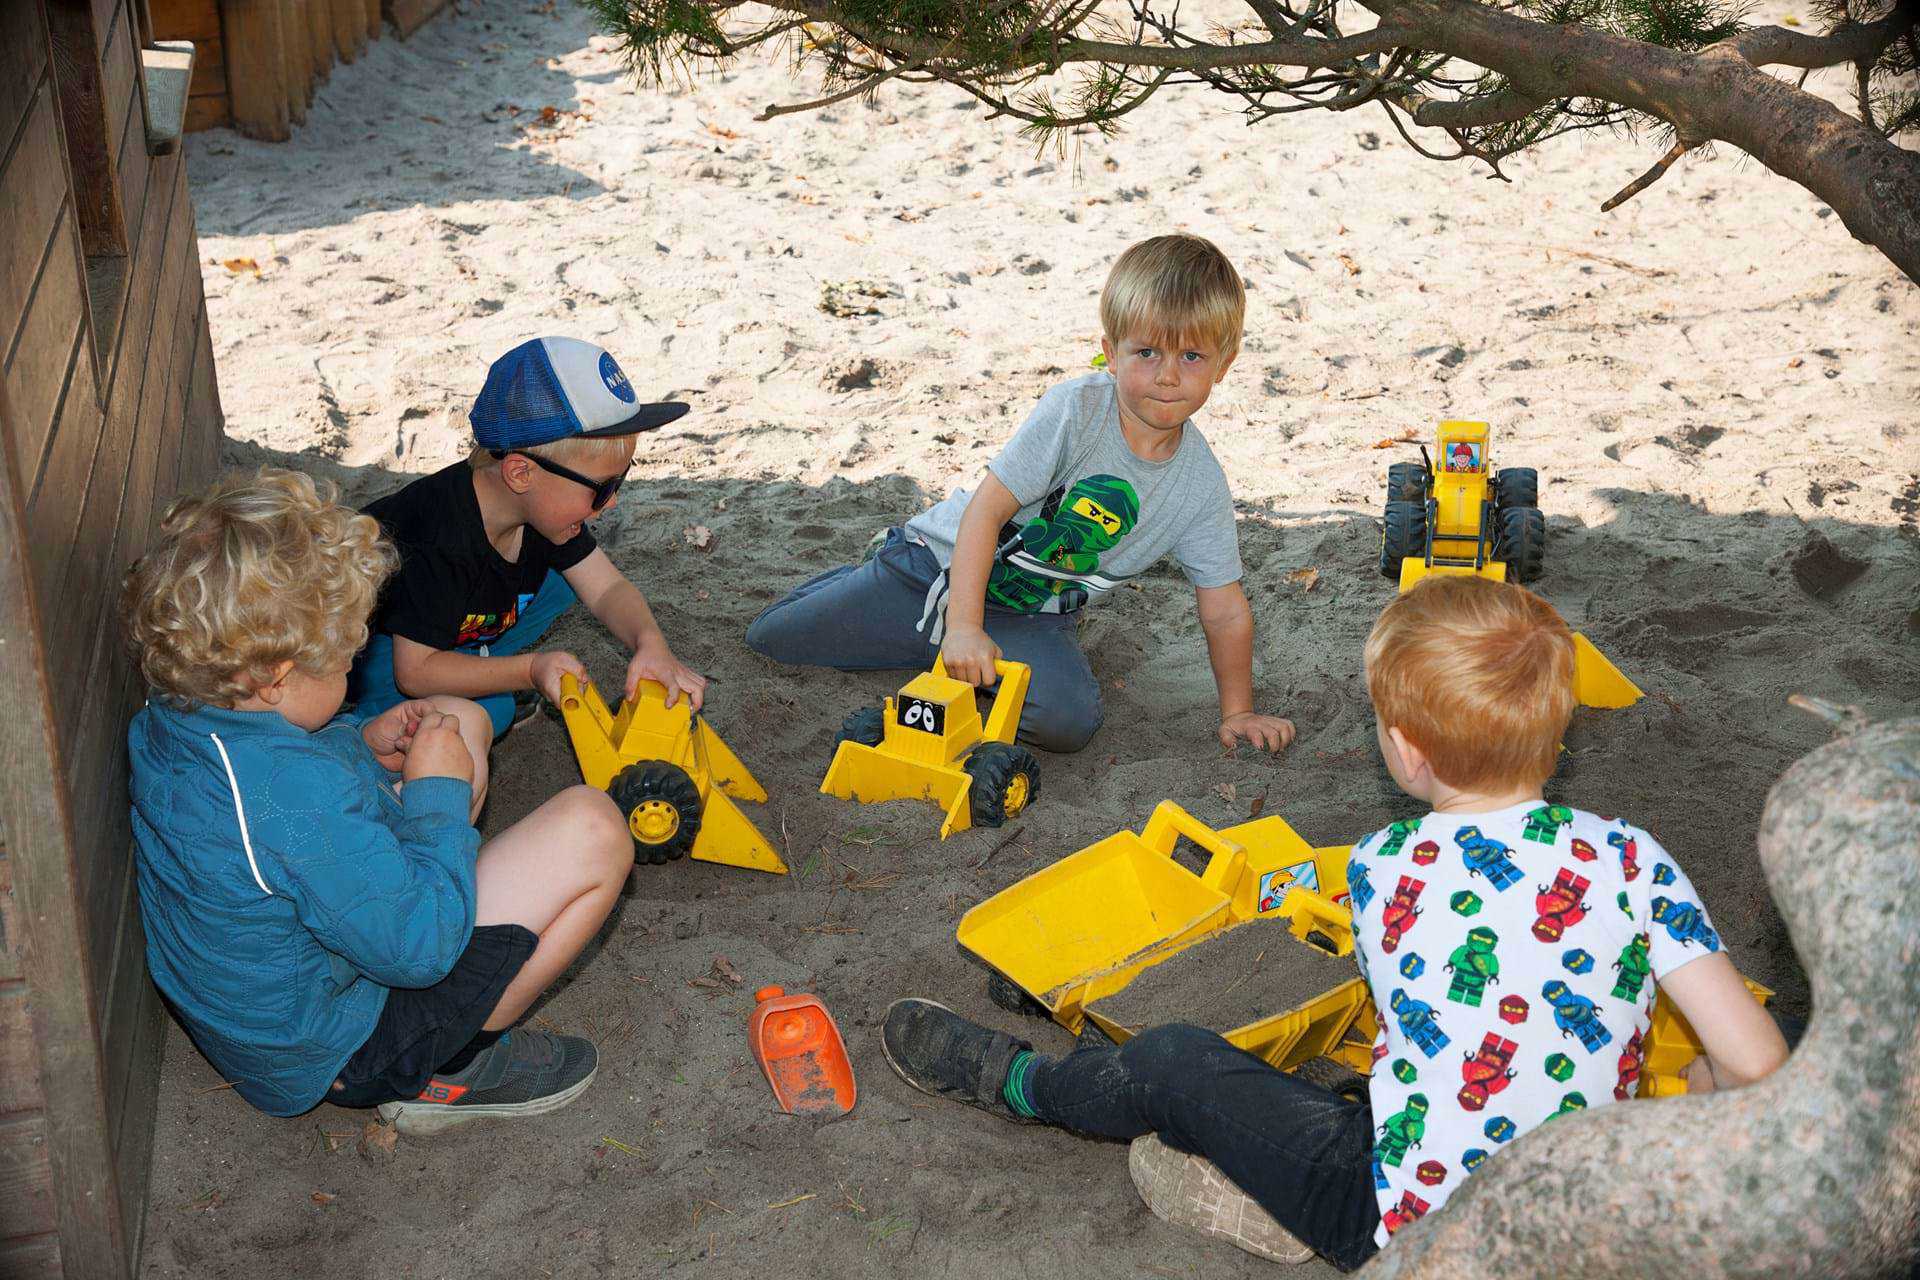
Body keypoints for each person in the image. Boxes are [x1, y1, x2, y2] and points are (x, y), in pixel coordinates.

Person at [877, 575, 1789, 1269]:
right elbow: (1759, 1064)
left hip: (1405, 1226)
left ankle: (1025, 1087)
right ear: (1560, 730)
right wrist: (1695, 1095)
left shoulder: (1386, 867)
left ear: (1404, 748)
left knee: (1171, 1060)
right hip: (1593, 1230)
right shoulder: (1633, 857)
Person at [123, 468, 631, 1134]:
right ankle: (449, 1069)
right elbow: (418, 949)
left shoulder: (179, 714)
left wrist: (360, 746)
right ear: (277, 677)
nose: (355, 667)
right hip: (344, 1044)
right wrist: (435, 794)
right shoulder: (292, 802)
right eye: (342, 659)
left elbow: (278, 797)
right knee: (596, 827)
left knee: (457, 718)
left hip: (288, 1003)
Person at [744, 234, 1294, 755]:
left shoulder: (1198, 487)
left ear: (1224, 363)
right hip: (934, 569)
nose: (1168, 376)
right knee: (771, 641)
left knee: (1068, 724)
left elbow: (1224, 609)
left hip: (1028, 614)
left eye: (1191, 357)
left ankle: (949, 653)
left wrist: (1237, 712)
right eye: (1147, 352)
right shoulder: (1075, 412)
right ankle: (890, 585)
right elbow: (985, 513)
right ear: (1110, 350)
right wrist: (962, 626)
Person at [349, 335, 706, 739]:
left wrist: (650, 643)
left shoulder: (538, 511)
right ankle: (361, 725)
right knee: (491, 709)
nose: (612, 503)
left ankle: (473, 665)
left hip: (444, 623)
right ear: (521, 474)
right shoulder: (440, 537)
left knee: (562, 584)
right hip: (377, 650)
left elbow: (607, 589)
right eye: (602, 488)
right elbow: (414, 673)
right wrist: (529, 670)